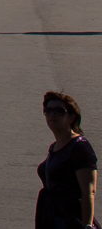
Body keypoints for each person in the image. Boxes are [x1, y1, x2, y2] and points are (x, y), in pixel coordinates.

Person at [36, 91, 97, 229]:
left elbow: (88, 192)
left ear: (71, 117)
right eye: (48, 110)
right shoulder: (54, 147)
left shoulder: (80, 146)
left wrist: (87, 225)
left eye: (59, 111)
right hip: (52, 216)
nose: (52, 114)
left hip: (70, 220)